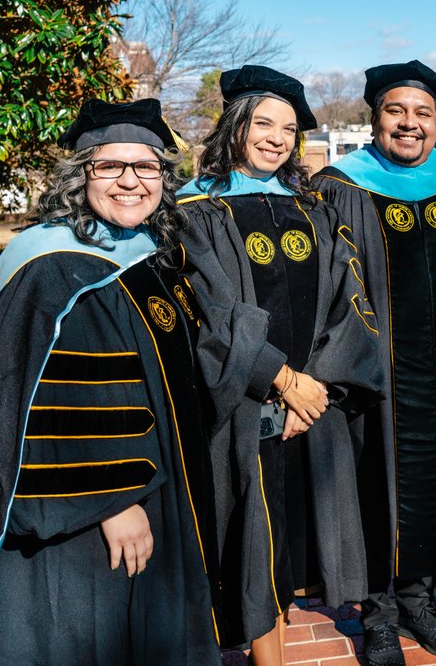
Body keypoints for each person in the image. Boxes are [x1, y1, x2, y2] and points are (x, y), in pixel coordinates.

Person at [0, 98, 224, 664]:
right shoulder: (52, 267)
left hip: (155, 487)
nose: (130, 182)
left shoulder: (144, 251)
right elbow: (39, 404)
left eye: (146, 167)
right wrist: (111, 500)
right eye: (110, 166)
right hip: (85, 518)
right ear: (80, 176)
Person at [177, 64, 386, 663]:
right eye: (262, 123)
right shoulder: (198, 212)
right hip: (243, 409)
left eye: (289, 129)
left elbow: (350, 300)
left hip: (310, 411)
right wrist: (280, 382)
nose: (276, 138)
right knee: (256, 551)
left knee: (293, 546)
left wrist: (315, 389)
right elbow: (208, 311)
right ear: (234, 126)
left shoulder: (311, 207)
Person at [313, 60, 436, 666]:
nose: (410, 124)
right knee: (371, 487)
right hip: (369, 378)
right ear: (374, 118)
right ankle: (377, 614)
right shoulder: (341, 187)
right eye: (396, 111)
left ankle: (420, 600)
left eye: (423, 114)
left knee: (432, 486)